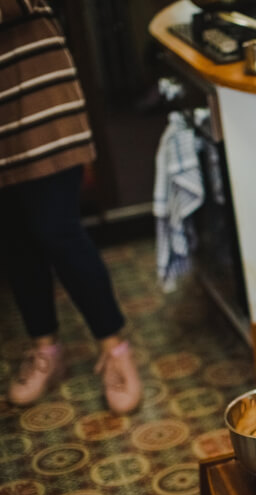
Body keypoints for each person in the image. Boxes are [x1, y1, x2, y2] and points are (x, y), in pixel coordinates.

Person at [1, 0, 141, 414]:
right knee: (13, 237)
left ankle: (115, 348)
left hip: (39, 94)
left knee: (57, 229)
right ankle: (46, 349)